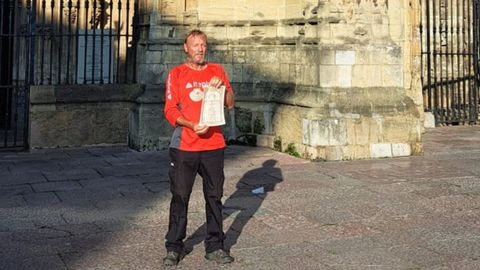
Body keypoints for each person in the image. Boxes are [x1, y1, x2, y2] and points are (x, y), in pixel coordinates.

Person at [162, 29, 235, 266]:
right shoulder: (177, 74)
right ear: (186, 48)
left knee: (214, 196)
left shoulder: (217, 71)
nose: (200, 49)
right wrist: (191, 124)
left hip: (214, 144)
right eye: (195, 45)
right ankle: (174, 246)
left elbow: (230, 103)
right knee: (180, 196)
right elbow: (170, 109)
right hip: (185, 144)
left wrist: (221, 87)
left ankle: (215, 245)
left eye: (203, 45)